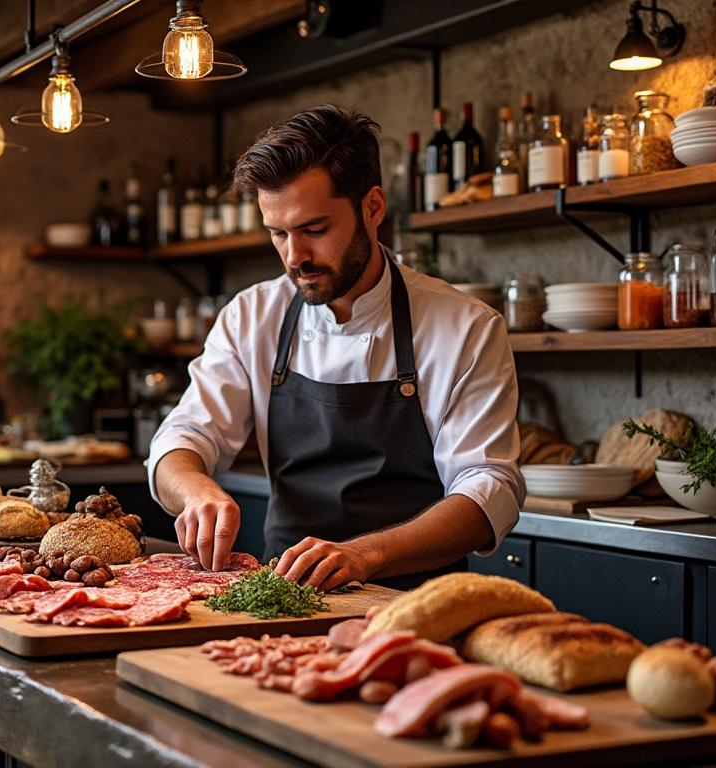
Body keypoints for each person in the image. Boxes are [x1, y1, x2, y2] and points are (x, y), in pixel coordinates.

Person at [147, 105, 524, 591]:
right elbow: (181, 437)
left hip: (414, 609)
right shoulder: (251, 317)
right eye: (277, 234)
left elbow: (489, 491)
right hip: (281, 599)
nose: (294, 257)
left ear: (372, 207)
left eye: (314, 230)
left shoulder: (466, 327)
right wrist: (197, 492)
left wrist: (364, 555)